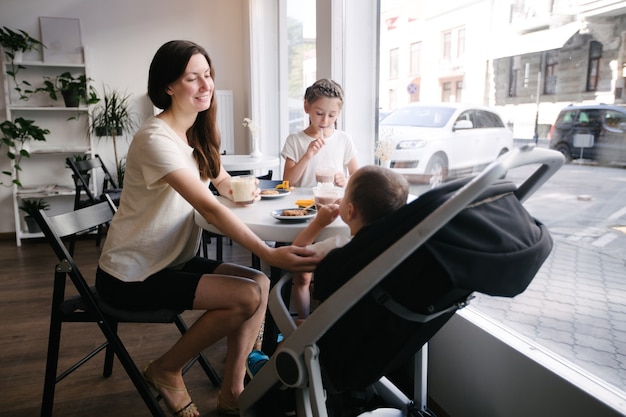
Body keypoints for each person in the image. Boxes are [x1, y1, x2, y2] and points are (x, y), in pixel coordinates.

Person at [95, 40, 320, 417]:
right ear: (168, 86)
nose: (205, 85)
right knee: (246, 296)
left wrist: (252, 192)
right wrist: (267, 251)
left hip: (172, 260)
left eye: (207, 75)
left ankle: (233, 391)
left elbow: (224, 186)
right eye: (191, 78)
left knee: (261, 284)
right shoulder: (156, 139)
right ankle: (166, 368)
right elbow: (209, 207)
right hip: (133, 274)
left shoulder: (194, 134)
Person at [247, 165, 409, 376]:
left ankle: (271, 378)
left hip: (335, 334)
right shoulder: (401, 250)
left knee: (295, 332)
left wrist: (318, 223)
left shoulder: (341, 247)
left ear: (349, 210)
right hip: (377, 336)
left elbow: (298, 251)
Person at [281, 78, 359, 188]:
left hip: (334, 202)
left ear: (339, 113)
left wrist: (346, 181)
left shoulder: (344, 139)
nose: (325, 121)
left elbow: (356, 175)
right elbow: (288, 182)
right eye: (319, 113)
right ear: (306, 107)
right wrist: (307, 156)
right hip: (302, 204)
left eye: (331, 115)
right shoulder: (294, 140)